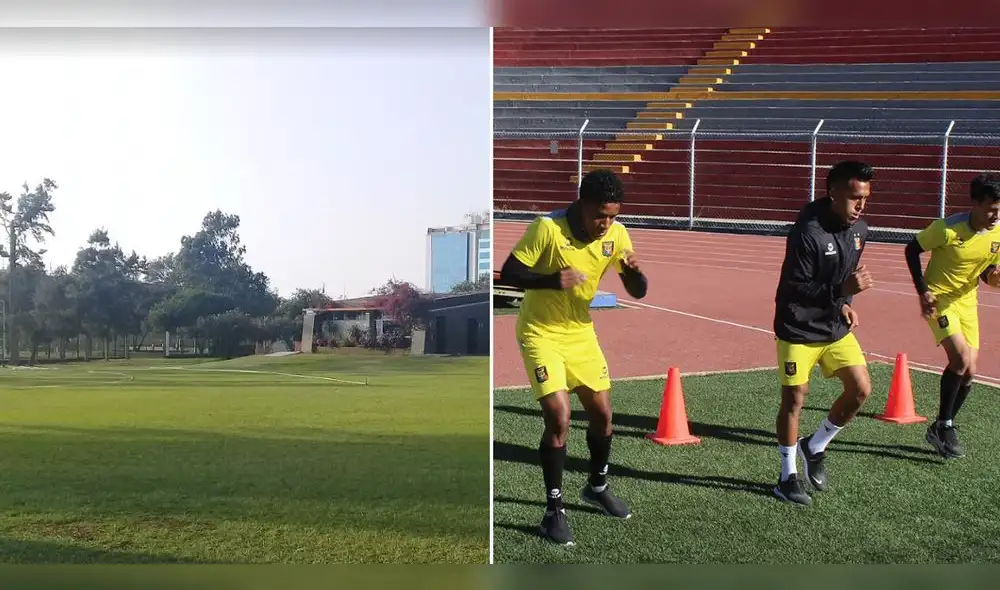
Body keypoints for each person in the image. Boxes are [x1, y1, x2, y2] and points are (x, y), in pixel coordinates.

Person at [498, 169, 648, 546]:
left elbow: (639, 291)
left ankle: (597, 486)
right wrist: (552, 279)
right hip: (540, 333)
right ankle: (553, 510)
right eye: (601, 215)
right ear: (582, 205)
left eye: (613, 216)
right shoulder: (547, 228)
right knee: (559, 417)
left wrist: (633, 273)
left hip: (580, 333)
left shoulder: (616, 235)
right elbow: (510, 273)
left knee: (603, 414)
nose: (606, 224)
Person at [771, 160, 876, 507]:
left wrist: (845, 300)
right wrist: (841, 289)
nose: (860, 205)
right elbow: (795, 288)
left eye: (865, 197)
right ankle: (787, 477)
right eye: (853, 197)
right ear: (832, 192)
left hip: (833, 324)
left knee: (860, 390)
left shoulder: (859, 229)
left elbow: (844, 273)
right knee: (795, 399)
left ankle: (814, 446)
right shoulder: (807, 232)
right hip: (797, 327)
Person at [903, 173, 1000, 459]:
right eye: (991, 209)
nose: (995, 215)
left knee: (970, 370)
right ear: (975, 204)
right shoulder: (947, 229)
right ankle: (945, 425)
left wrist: (993, 277)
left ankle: (940, 427)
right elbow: (912, 249)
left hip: (967, 302)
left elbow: (986, 270)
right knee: (959, 359)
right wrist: (923, 291)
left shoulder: (998, 232)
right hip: (940, 300)